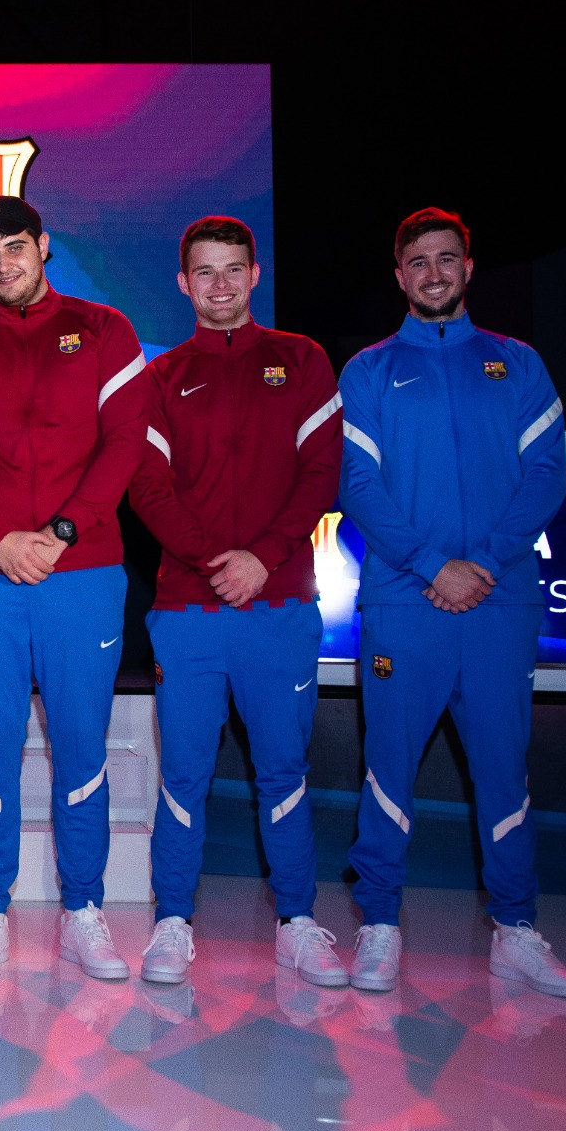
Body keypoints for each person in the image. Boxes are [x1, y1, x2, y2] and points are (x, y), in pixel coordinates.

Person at [337, 207, 566, 998]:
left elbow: (546, 474)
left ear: (469, 268)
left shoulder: (518, 364)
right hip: (403, 604)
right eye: (418, 261)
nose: (434, 273)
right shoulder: (368, 371)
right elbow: (358, 486)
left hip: (498, 601)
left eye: (447, 259)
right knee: (388, 768)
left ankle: (516, 929)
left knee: (504, 769)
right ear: (399, 275)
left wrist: (482, 562)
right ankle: (380, 924)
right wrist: (429, 565)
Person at [0, 197, 148, 981]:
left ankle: (83, 910)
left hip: (82, 571)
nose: (2, 265)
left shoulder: (105, 329)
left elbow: (125, 443)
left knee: (81, 744)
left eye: (14, 247)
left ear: (44, 245)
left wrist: (62, 532)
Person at [126, 216, 347, 988]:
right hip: (187, 612)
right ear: (183, 284)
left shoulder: (303, 359)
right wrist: (210, 559)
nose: (219, 285)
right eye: (204, 272)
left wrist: (263, 558)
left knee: (283, 771)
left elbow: (321, 473)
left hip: (278, 606)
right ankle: (172, 922)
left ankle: (298, 922)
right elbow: (147, 487)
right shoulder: (160, 377)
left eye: (232, 270)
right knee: (183, 774)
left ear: (255, 275)